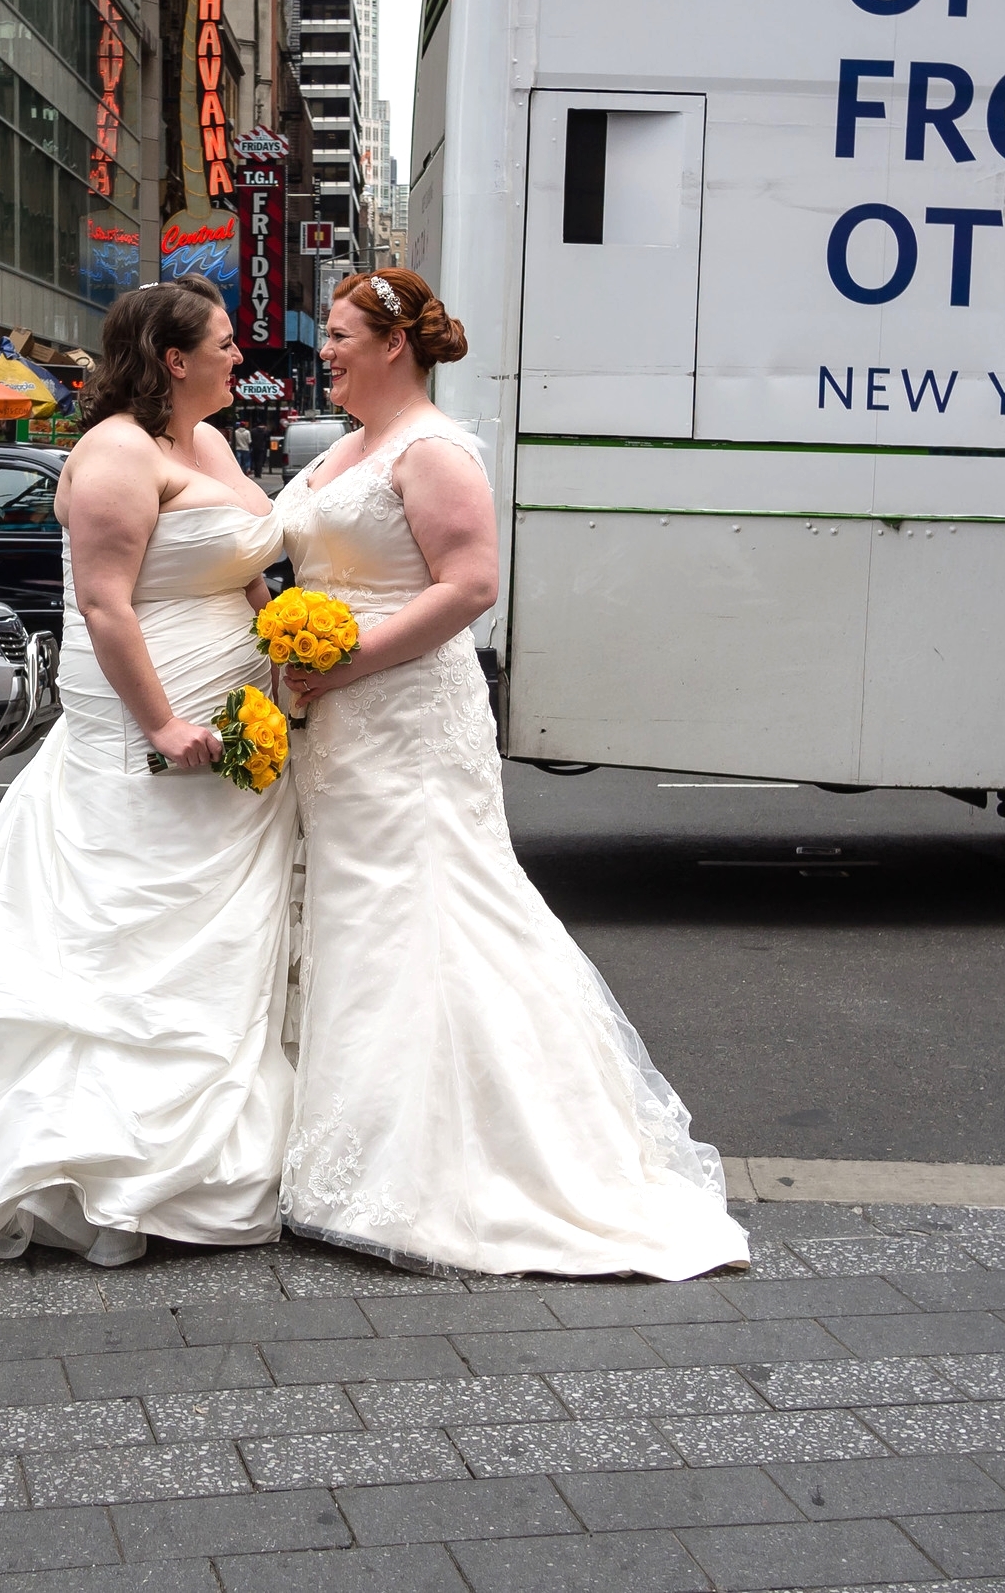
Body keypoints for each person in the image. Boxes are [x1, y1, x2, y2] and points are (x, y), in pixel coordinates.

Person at [271, 267, 750, 1282]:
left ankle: (454, 1157)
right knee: (356, 911)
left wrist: (343, 663)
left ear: (392, 343)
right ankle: (347, 1134)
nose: (328, 347)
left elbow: (470, 585)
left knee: (434, 906)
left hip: (403, 715)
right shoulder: (344, 451)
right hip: (336, 723)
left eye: (342, 332)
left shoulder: (434, 450)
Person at [0, 277, 300, 1267]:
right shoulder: (114, 453)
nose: (236, 358)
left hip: (238, 732)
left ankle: (216, 1141)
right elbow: (107, 605)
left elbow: (245, 553)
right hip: (147, 732)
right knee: (124, 942)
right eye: (221, 344)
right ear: (172, 359)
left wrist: (280, 634)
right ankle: (94, 1160)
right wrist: (162, 724)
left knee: (216, 939)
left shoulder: (204, 441)